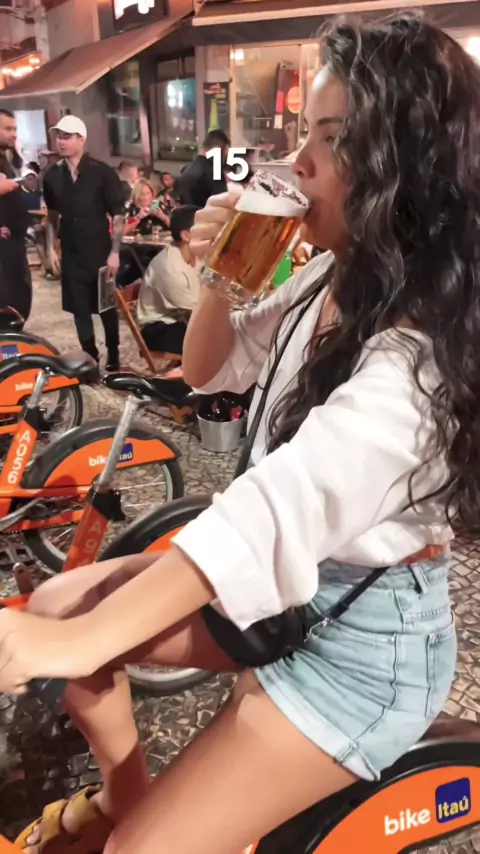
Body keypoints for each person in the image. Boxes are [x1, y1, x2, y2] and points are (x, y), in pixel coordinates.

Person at [2, 14, 477, 854]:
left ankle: (132, 827)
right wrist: (223, 272)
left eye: (331, 139)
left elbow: (275, 509)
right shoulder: (330, 275)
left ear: (406, 165)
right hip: (294, 591)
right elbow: (205, 370)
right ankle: (125, 796)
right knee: (55, 601)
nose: (299, 162)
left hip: (363, 652)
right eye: (304, 133)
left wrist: (75, 641)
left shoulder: (421, 355)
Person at [42, 115, 125, 372]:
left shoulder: (102, 172)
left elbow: (118, 215)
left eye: (66, 136)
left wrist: (115, 252)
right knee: (79, 310)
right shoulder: (52, 175)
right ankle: (90, 357)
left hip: (100, 249)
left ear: (82, 139)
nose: (61, 141)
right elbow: (52, 215)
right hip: (71, 251)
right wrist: (49, 248)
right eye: (59, 136)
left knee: (106, 306)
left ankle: (114, 352)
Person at [137, 205, 200, 354]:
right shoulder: (171, 268)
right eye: (203, 228)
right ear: (186, 236)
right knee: (217, 340)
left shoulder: (195, 255)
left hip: (181, 317)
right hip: (160, 328)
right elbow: (199, 310)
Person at [0, 110, 32, 321]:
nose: (14, 134)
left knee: (19, 297)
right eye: (8, 129)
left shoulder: (8, 156)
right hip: (4, 244)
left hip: (15, 240)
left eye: (15, 129)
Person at [177, 128, 230, 208]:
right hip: (208, 215)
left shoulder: (188, 169)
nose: (226, 154)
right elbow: (223, 204)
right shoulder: (213, 171)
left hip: (189, 215)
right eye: (226, 149)